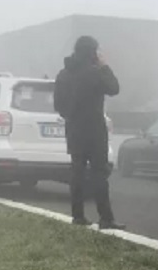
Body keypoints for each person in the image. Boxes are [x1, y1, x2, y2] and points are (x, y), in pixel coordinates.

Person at [54, 36, 126, 230]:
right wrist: (104, 66)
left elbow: (58, 106)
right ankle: (106, 218)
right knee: (98, 174)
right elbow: (114, 88)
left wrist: (71, 115)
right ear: (92, 52)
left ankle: (78, 216)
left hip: (74, 129)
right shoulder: (94, 73)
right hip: (94, 129)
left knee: (77, 172)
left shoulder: (63, 74)